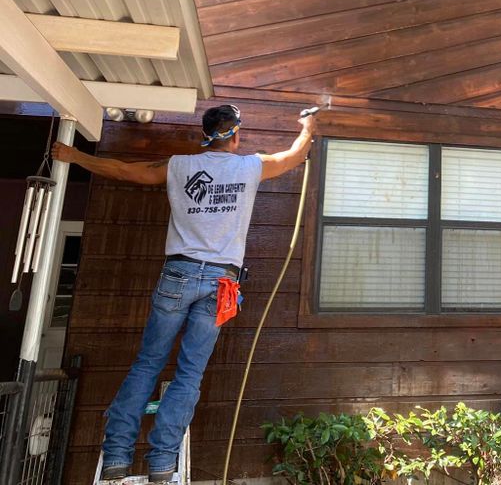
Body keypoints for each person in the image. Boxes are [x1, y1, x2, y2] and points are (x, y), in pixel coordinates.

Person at [52, 104, 316, 482]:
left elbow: (129, 171)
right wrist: (307, 128)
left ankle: (116, 457)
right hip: (221, 284)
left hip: (178, 274)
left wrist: (74, 155)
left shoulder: (179, 166)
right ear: (236, 135)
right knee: (189, 374)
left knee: (147, 364)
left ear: (205, 135)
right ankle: (162, 464)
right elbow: (293, 157)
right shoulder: (250, 166)